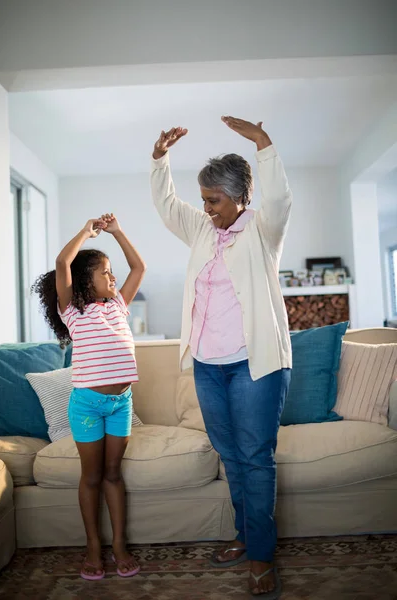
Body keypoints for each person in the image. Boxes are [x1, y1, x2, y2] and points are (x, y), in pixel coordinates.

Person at [150, 117, 292, 598]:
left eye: (213, 200)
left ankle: (261, 556)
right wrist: (159, 159)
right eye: (204, 199)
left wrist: (263, 145)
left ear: (239, 199)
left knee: (255, 458)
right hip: (209, 365)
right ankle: (246, 534)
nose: (205, 209)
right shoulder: (204, 230)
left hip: (254, 364)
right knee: (231, 456)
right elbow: (169, 207)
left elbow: (280, 200)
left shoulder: (262, 230)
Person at [32, 213, 146, 581]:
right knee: (92, 476)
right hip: (87, 405)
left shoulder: (118, 306)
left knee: (114, 475)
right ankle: (93, 546)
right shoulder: (74, 313)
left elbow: (138, 266)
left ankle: (119, 546)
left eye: (112, 271)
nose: (113, 277)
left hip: (120, 404)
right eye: (105, 272)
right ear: (85, 281)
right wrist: (86, 230)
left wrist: (117, 232)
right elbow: (63, 262)